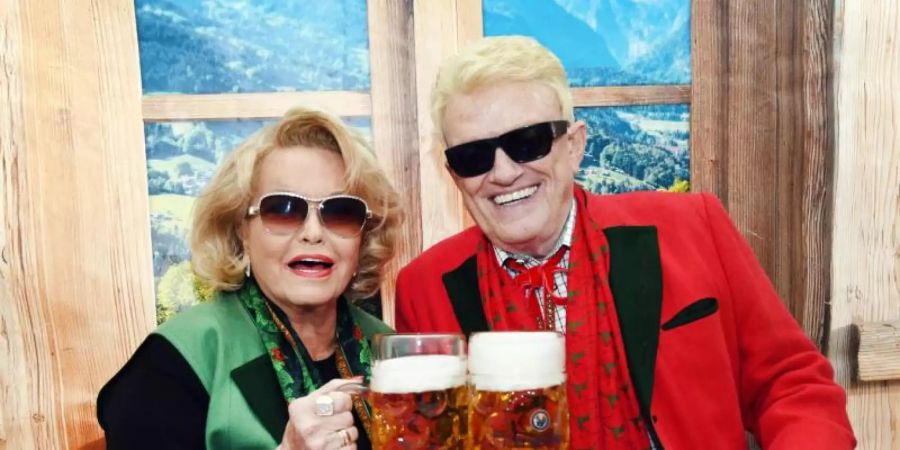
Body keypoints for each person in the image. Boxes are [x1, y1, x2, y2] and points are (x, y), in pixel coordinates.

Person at [395, 36, 856, 449]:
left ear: (574, 145)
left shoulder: (693, 226)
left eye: (528, 142)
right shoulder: (424, 287)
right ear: (453, 174)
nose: (503, 172)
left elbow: (791, 384)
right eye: (473, 155)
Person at [98, 106, 402, 450]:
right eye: (283, 209)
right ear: (241, 231)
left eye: (341, 212)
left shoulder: (389, 349)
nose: (314, 232)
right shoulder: (174, 363)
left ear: (364, 236)